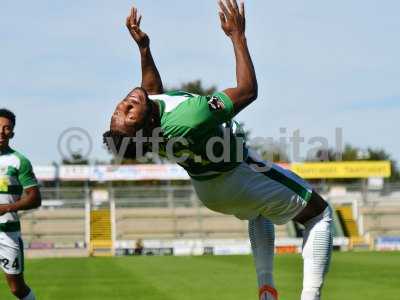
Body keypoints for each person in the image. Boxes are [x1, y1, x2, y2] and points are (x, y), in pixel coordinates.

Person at [103, 1, 333, 299]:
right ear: (145, 123)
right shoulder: (190, 116)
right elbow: (248, 90)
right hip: (237, 173)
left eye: (120, 109)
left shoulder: (150, 126)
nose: (126, 103)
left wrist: (144, 49)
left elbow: (152, 92)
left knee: (260, 212)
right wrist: (237, 36)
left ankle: (266, 287)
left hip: (209, 189)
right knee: (319, 214)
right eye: (129, 113)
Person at [0, 109, 41, 300]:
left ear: (12, 133)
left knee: (17, 289)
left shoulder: (19, 161)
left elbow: (34, 198)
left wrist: (7, 208)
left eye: (6, 128)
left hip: (7, 233)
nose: (1, 132)